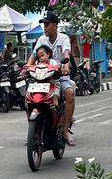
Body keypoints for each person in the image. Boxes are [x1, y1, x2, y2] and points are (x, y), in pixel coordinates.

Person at [27, 11, 77, 146]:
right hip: (41, 79)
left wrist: (66, 66)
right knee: (28, 96)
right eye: (44, 24)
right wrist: (27, 67)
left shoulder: (64, 38)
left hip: (60, 77)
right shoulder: (41, 40)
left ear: (54, 25)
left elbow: (66, 53)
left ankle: (65, 130)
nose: (45, 27)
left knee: (69, 93)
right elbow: (33, 56)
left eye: (47, 24)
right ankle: (33, 131)